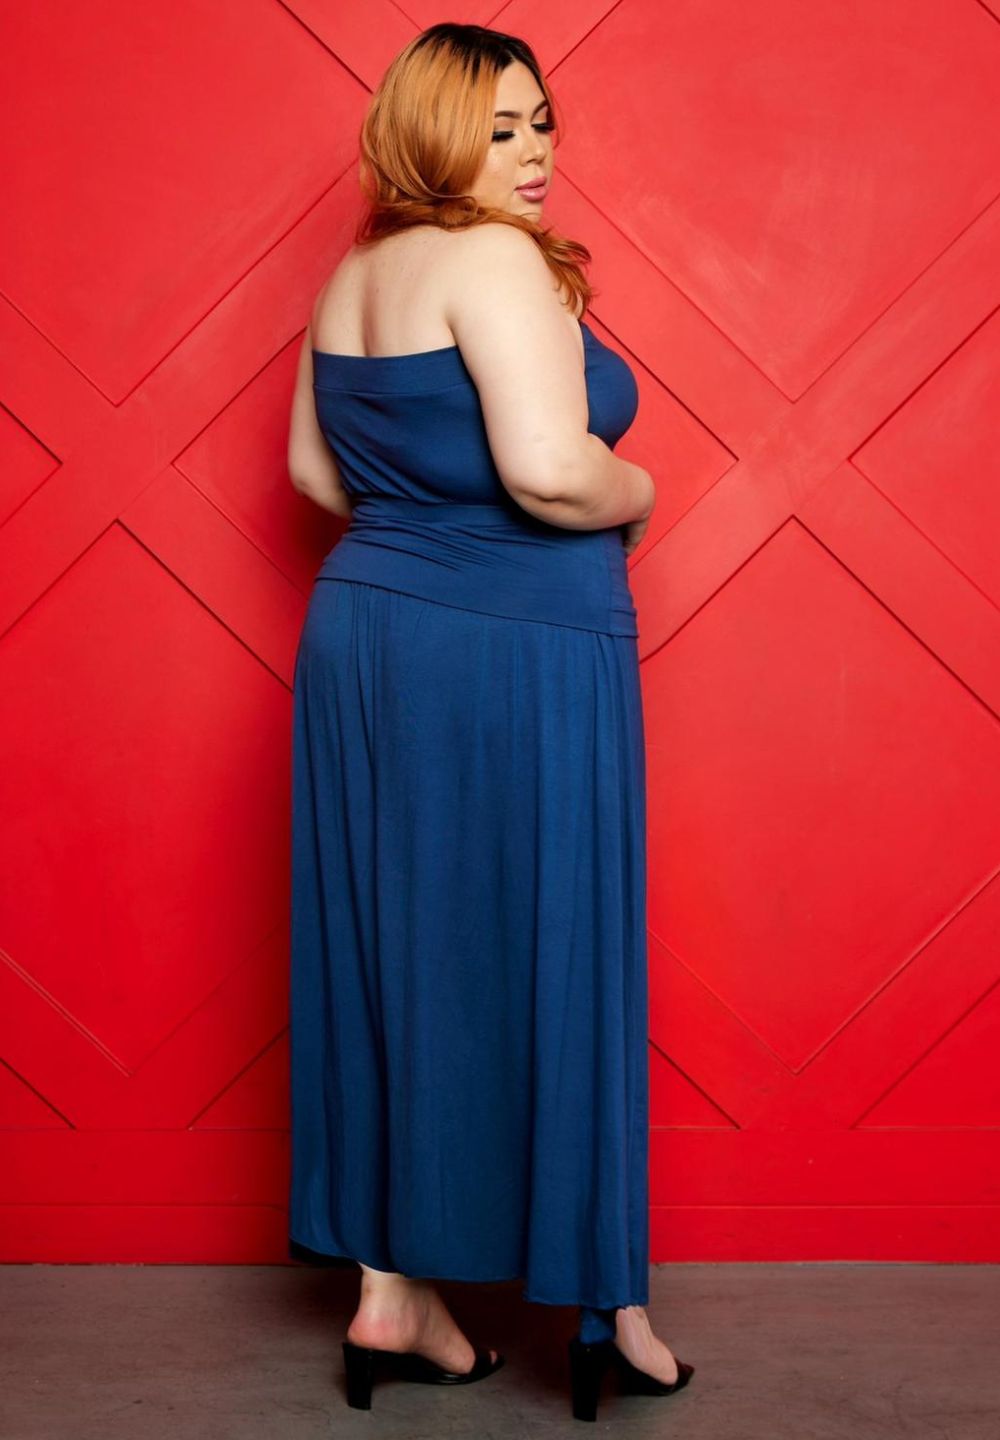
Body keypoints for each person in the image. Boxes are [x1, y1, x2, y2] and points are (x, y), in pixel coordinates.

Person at [285, 21, 694, 1422]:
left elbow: (316, 476)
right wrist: (645, 493)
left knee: (397, 947)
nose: (534, 152)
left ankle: (392, 1293)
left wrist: (421, 525)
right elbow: (551, 472)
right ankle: (605, 1305)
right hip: (516, 640)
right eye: (500, 126)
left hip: (367, 632)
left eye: (543, 120)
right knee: (557, 940)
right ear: (433, 130)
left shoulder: (353, 276)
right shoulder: (495, 262)